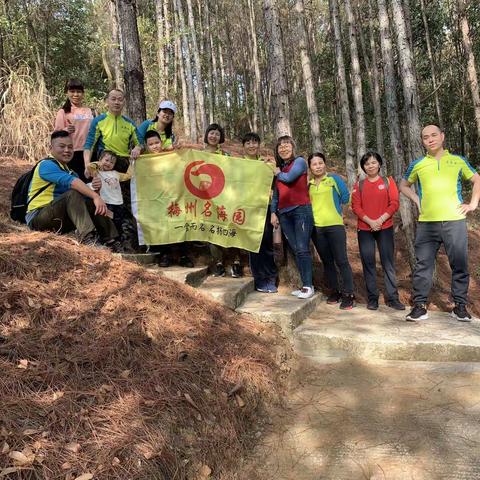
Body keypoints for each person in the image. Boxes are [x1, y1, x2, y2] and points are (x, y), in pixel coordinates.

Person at [400, 124, 480, 322]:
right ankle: (419, 306)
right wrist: (416, 199)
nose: (430, 139)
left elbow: (477, 179)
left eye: (434, 135)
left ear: (442, 136)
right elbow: (403, 185)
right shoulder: (418, 164)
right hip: (427, 223)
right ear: (423, 141)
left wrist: (473, 204)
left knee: (459, 264)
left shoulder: (457, 161)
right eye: (426, 137)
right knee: (423, 265)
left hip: (455, 221)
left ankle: (459, 306)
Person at [26, 130, 119, 248]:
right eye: (62, 146)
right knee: (74, 193)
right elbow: (72, 183)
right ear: (51, 148)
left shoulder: (71, 172)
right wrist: (95, 196)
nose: (67, 150)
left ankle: (111, 241)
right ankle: (88, 239)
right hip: (38, 218)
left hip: (59, 218)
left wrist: (96, 191)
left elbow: (84, 199)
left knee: (89, 200)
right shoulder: (46, 165)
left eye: (70, 147)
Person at [351, 151, 405, 311]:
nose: (371, 166)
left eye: (374, 162)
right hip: (365, 229)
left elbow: (394, 203)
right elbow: (356, 207)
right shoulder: (359, 185)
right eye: (367, 164)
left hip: (385, 227)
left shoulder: (388, 181)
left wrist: (380, 220)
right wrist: (370, 221)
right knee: (368, 263)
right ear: (363, 167)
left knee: (388, 262)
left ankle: (392, 298)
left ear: (379, 164)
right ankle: (373, 298)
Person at [308, 152, 355, 309]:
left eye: (320, 163)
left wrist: (336, 209)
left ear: (324, 164)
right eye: (314, 164)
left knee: (341, 260)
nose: (318, 166)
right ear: (310, 167)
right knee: (327, 261)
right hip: (317, 228)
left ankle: (348, 294)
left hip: (335, 226)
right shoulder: (309, 184)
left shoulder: (333, 179)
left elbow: (346, 197)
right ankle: (335, 291)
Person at [142, 130, 194, 267]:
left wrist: (180, 147)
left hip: (175, 197)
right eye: (151, 144)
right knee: (160, 225)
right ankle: (164, 255)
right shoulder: (143, 160)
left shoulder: (170, 154)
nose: (154, 146)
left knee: (179, 222)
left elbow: (184, 154)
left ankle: (183, 255)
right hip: (155, 200)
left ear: (161, 142)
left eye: (157, 142)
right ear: (146, 146)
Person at [271, 136, 314, 299]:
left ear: (293, 147)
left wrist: (277, 172)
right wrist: (273, 212)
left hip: (301, 210)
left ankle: (308, 286)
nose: (283, 148)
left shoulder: (300, 162)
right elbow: (276, 194)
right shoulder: (281, 168)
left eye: (286, 145)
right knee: (297, 250)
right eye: (280, 146)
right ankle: (305, 286)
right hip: (284, 214)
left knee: (303, 249)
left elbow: (288, 178)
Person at [202, 123, 244, 277]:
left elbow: (235, 172)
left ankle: (236, 262)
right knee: (212, 230)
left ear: (221, 138)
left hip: (225, 197)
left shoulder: (226, 156)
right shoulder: (198, 154)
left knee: (230, 227)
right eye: (211, 133)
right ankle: (218, 263)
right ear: (207, 135)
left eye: (217, 134)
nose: (214, 136)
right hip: (206, 199)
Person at [243, 132, 278, 293]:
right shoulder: (238, 163)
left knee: (266, 242)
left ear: (259, 145)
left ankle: (270, 277)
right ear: (243, 146)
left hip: (265, 208)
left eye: (254, 142)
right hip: (246, 209)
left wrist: (274, 210)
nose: (252, 145)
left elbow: (274, 188)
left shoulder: (266, 164)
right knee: (253, 244)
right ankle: (259, 279)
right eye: (248, 143)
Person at [83, 89, 140, 177]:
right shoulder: (98, 121)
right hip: (105, 163)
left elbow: (140, 143)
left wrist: (137, 148)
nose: (117, 102)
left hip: (123, 164)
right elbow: (89, 144)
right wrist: (87, 165)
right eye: (113, 99)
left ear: (124, 102)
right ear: (107, 101)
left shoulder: (130, 123)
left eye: (120, 100)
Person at [86, 150, 135, 251]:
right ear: (100, 160)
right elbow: (90, 166)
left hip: (118, 204)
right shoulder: (96, 172)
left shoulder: (116, 173)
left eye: (112, 162)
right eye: (106, 160)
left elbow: (128, 176)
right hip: (105, 203)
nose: (108, 163)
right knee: (107, 223)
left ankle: (118, 243)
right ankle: (105, 241)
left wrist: (131, 163)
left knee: (118, 223)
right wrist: (100, 164)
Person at [54, 79, 94, 182]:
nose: (76, 94)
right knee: (75, 184)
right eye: (72, 91)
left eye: (79, 91)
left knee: (90, 184)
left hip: (90, 152)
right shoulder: (63, 112)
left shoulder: (91, 111)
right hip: (71, 153)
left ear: (83, 93)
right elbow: (55, 136)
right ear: (67, 93)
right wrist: (65, 130)